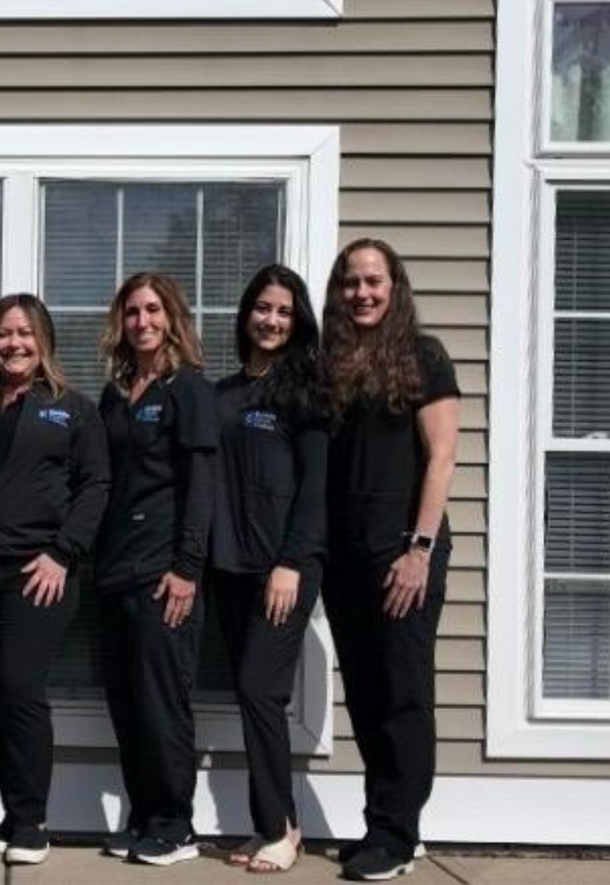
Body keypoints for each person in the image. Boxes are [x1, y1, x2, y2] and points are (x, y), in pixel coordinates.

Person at [0, 294, 109, 868]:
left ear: (44, 343)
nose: (14, 344)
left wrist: (63, 552)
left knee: (17, 684)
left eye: (26, 334)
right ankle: (12, 811)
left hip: (36, 571)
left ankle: (33, 820)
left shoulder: (71, 409)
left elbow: (96, 486)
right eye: (5, 333)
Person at [321, 239, 460, 882]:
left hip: (403, 551)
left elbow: (442, 457)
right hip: (346, 556)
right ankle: (386, 823)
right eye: (351, 282)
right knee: (366, 694)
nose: (362, 293)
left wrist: (419, 550)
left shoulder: (423, 356)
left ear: (395, 287)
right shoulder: (332, 363)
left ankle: (397, 835)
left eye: (373, 281)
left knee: (403, 693)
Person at [93, 272, 220, 867]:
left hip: (163, 571)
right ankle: (144, 816)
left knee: (162, 700)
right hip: (114, 568)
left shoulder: (187, 387)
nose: (142, 322)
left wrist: (187, 567)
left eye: (152, 310)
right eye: (132, 312)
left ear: (171, 317)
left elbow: (201, 484)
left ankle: (175, 824)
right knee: (127, 702)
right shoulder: (117, 392)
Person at [209, 265, 328, 875]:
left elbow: (315, 488)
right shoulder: (223, 393)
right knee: (251, 694)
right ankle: (275, 824)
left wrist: (291, 561)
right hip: (229, 564)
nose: (272, 320)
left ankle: (280, 828)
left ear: (297, 320)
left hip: (284, 568)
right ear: (246, 315)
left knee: (260, 689)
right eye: (263, 308)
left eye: (284, 311)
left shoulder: (305, 392)